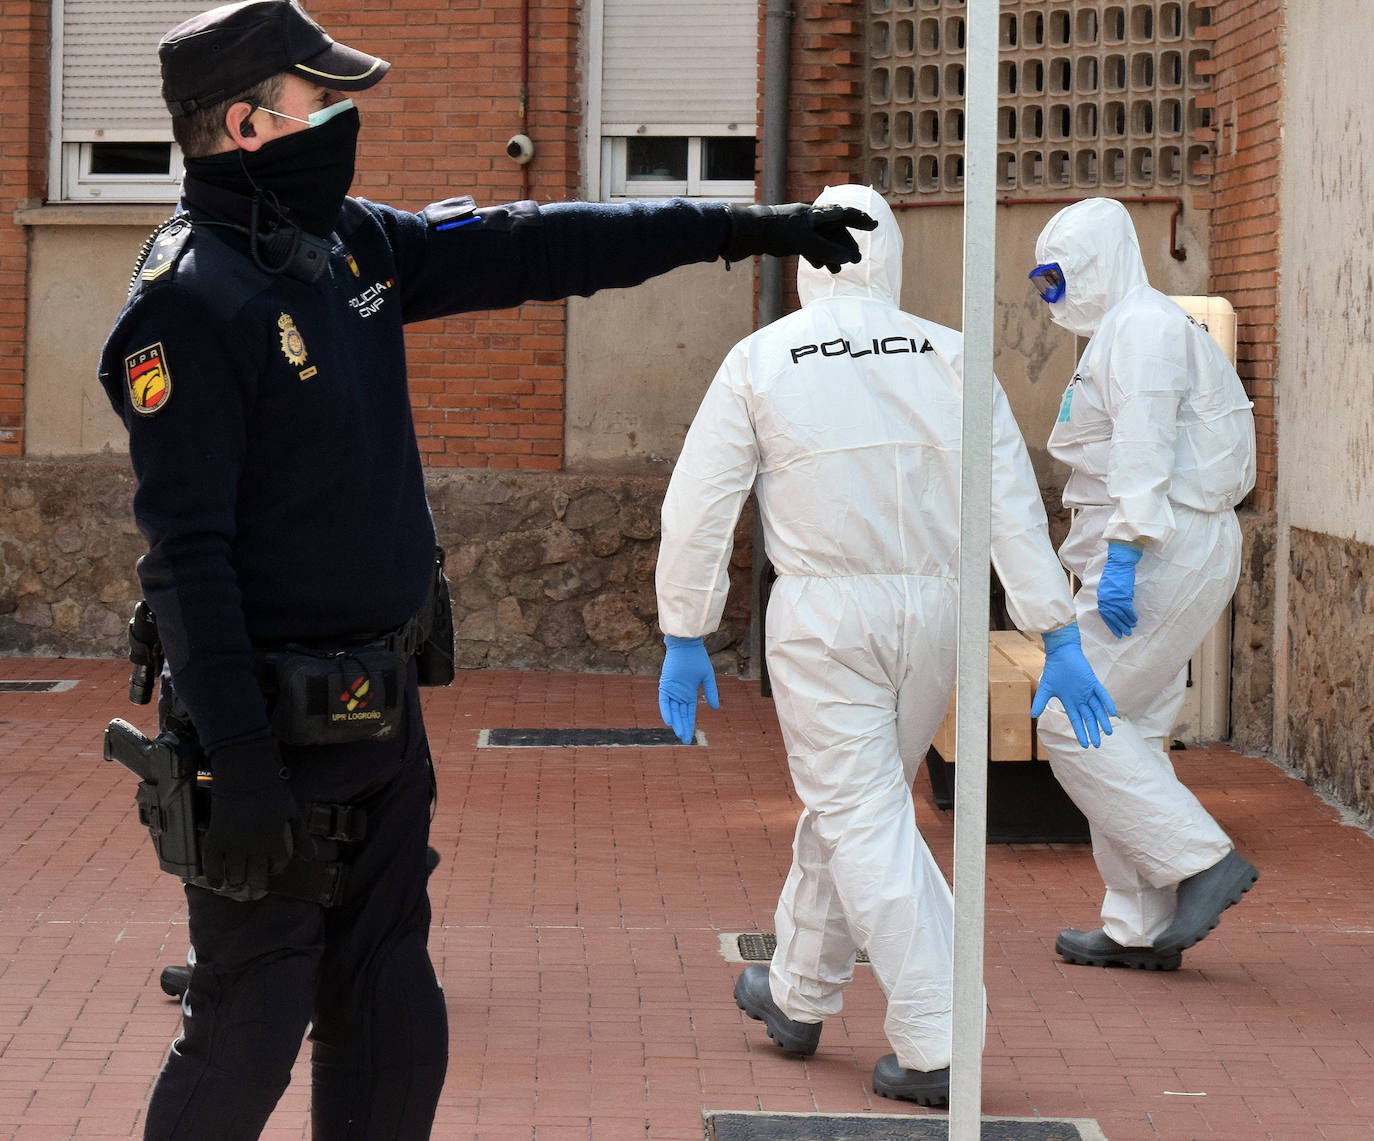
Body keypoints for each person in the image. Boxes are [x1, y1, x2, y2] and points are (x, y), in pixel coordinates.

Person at [97, 3, 878, 1138]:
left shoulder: (351, 245)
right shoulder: (186, 303)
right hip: (261, 730)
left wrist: (745, 227)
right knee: (248, 1020)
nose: (341, 119)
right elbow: (186, 561)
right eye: (320, 100)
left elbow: (540, 244)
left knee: (391, 1013)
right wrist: (242, 760)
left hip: (377, 711)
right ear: (246, 123)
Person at [654, 184, 1116, 1108]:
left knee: (863, 815)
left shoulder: (763, 359)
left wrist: (685, 627)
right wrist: (1053, 627)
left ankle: (941, 1040)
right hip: (937, 616)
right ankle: (794, 989)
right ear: (894, 258)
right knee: (853, 805)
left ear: (803, 259)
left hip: (826, 619)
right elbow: (1011, 507)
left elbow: (699, 502)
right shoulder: (952, 357)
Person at [1027, 196, 1259, 972]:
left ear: (1096, 265)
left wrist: (1123, 553)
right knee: (1133, 727)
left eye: (1059, 278)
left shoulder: (1146, 329)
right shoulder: (1122, 331)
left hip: (1165, 545)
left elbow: (1144, 449)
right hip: (1155, 545)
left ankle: (1199, 861)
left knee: (1071, 713)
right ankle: (1140, 923)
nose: (1052, 297)